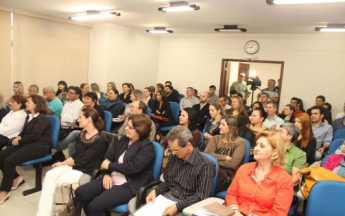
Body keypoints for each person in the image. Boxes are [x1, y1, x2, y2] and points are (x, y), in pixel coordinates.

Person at [75, 114, 156, 216]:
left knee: (95, 206)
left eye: (130, 127)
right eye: (127, 125)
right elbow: (108, 159)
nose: (125, 128)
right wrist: (106, 174)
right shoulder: (124, 139)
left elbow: (133, 168)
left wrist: (110, 167)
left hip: (130, 184)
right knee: (80, 192)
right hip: (113, 177)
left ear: (140, 130)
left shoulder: (147, 147)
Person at [36, 108, 107, 216]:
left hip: (85, 170)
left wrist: (65, 164)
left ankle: (45, 213)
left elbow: (84, 160)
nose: (78, 120)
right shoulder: (83, 134)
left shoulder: (100, 139)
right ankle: (44, 213)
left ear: (88, 119)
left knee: (52, 181)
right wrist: (62, 163)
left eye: (80, 117)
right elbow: (76, 155)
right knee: (49, 175)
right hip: (75, 165)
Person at [144, 126, 215, 216]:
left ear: (188, 145)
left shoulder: (206, 165)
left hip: (187, 206)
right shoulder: (174, 156)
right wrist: (156, 190)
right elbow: (168, 182)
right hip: (167, 198)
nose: (173, 153)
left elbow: (201, 196)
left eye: (176, 150)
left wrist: (178, 206)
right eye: (171, 149)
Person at [225, 131, 294, 216]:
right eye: (256, 144)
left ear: (275, 152)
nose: (256, 148)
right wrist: (235, 211)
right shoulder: (244, 169)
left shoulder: (284, 179)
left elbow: (279, 213)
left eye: (262, 146)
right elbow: (231, 194)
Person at [0, 95, 51, 204]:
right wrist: (19, 136)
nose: (26, 103)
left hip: (38, 147)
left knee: (9, 161)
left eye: (28, 102)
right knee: (1, 157)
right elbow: (24, 131)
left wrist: (20, 139)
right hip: (27, 143)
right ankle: (16, 178)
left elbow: (34, 136)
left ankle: (5, 191)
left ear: (36, 104)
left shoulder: (42, 119)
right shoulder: (29, 116)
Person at [205, 115, 246, 192]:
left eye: (223, 124)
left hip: (227, 175)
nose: (219, 126)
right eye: (220, 124)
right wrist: (224, 157)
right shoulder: (215, 138)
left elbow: (233, 164)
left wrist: (213, 160)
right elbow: (207, 154)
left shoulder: (240, 143)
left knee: (206, 181)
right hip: (211, 169)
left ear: (231, 127)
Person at [279, 123, 306, 193]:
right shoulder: (272, 148)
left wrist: (276, 188)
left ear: (289, 136)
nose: (277, 133)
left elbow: (296, 180)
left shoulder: (299, 154)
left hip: (285, 190)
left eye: (281, 132)